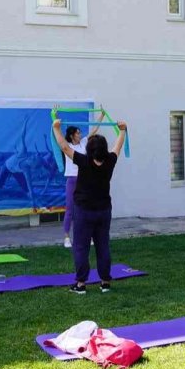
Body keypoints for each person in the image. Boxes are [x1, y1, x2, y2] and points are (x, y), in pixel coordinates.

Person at [52, 117, 128, 295]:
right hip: (103, 211)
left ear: (89, 149)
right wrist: (123, 130)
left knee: (81, 246)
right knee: (103, 246)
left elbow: (64, 147)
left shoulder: (84, 161)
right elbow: (118, 147)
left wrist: (56, 128)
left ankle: (80, 284)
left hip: (85, 211)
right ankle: (105, 282)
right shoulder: (110, 161)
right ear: (103, 149)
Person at [60, 110, 106, 249]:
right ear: (72, 135)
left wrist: (102, 115)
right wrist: (55, 119)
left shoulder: (84, 143)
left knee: (87, 207)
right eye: (78, 133)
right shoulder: (68, 147)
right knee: (70, 209)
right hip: (72, 180)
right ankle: (67, 237)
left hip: (85, 180)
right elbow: (59, 137)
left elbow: (94, 129)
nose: (80, 134)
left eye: (80, 133)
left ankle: (89, 236)